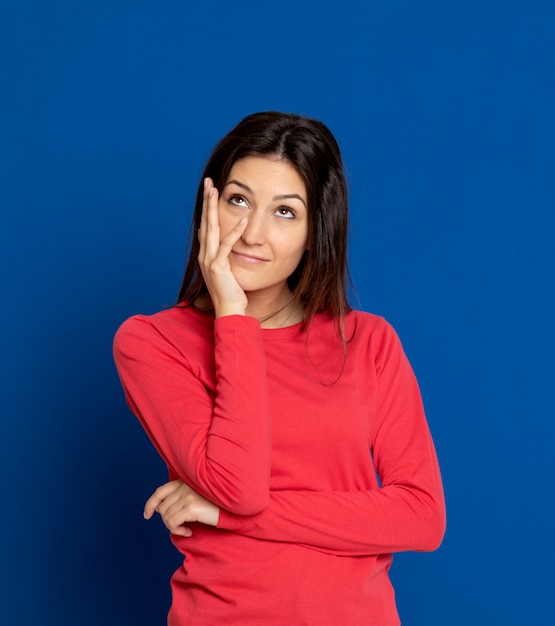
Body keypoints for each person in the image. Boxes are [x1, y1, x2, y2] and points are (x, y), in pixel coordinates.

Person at [113, 111, 446, 625]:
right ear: (209, 208)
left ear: (316, 232)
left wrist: (226, 516)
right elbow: (238, 483)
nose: (252, 233)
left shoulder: (368, 342)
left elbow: (421, 517)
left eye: (286, 212)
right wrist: (232, 315)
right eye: (238, 201)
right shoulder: (153, 343)